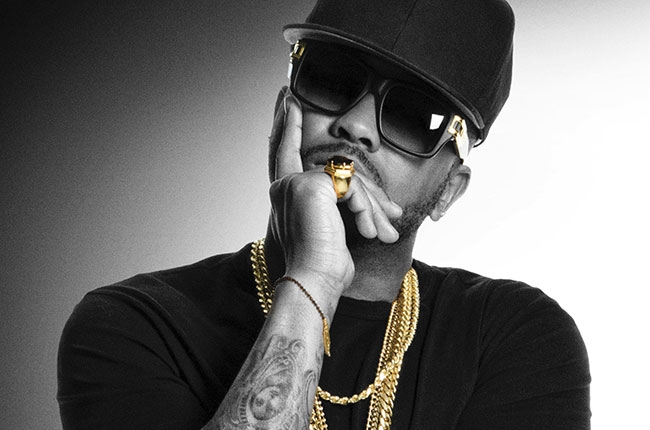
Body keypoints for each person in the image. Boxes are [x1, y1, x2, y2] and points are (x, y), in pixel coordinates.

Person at [57, 0, 591, 429]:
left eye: (413, 116)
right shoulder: (133, 326)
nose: (356, 126)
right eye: (332, 79)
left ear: (448, 191)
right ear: (282, 115)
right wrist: (314, 275)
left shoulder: (518, 339)